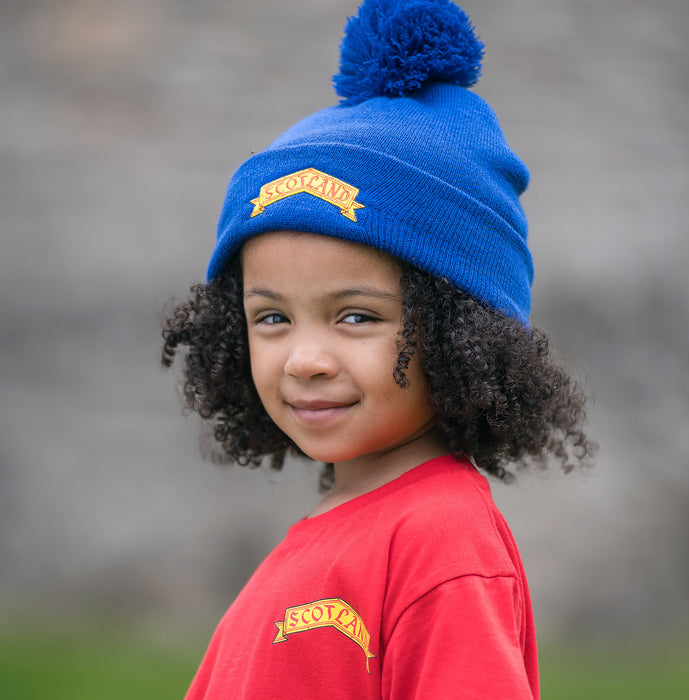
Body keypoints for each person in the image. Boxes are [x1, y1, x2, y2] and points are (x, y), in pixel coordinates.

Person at [161, 0, 595, 697]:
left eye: (357, 317)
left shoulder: (441, 540)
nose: (305, 358)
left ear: (463, 333)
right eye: (271, 318)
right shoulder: (329, 534)